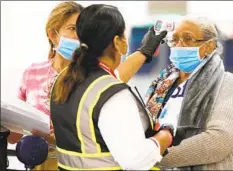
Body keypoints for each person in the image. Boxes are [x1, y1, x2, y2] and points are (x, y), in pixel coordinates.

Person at [50, 4, 180, 170]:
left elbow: (108, 80)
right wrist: (165, 135)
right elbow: (136, 161)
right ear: (117, 42)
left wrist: (144, 51)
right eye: (123, 34)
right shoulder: (114, 96)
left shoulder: (65, 79)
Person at [144, 17, 233, 170]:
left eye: (188, 39)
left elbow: (220, 141)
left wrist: (153, 157)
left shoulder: (226, 83)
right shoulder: (162, 85)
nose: (179, 45)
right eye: (175, 39)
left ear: (209, 46)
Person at [8, 2, 84, 170]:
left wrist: (62, 138)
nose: (79, 36)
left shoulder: (90, 77)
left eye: (82, 30)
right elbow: (14, 136)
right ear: (53, 34)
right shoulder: (32, 73)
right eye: (72, 28)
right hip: (36, 163)